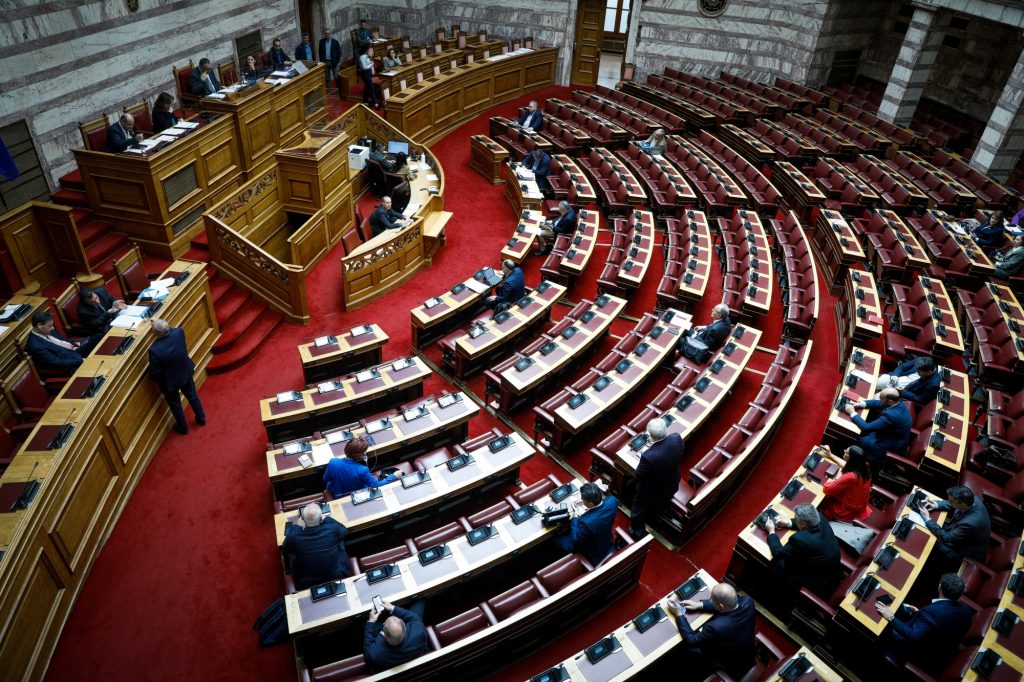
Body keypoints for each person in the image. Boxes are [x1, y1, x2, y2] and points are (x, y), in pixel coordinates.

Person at [876, 573, 972, 671]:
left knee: (882, 627)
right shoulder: (966, 609)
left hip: (923, 653)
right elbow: (942, 622)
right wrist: (920, 614)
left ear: (940, 587)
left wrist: (890, 617)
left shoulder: (932, 612)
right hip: (944, 647)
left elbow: (914, 636)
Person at [666, 583, 756, 680]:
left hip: (729, 663)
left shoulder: (715, 626)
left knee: (687, 649)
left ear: (721, 606)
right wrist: (700, 605)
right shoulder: (748, 601)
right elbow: (729, 605)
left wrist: (679, 614)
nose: (710, 600)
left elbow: (692, 640)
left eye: (712, 599)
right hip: (747, 653)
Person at [763, 503, 841, 601]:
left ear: (803, 524)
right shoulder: (820, 517)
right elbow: (808, 524)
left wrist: (771, 532)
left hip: (818, 579)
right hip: (833, 570)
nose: (795, 520)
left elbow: (778, 552)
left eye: (796, 519)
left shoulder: (799, 539)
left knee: (776, 562)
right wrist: (788, 523)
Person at [148, 318, 205, 435]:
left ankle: (182, 427)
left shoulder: (154, 350)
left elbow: (155, 373)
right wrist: (159, 323)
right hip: (185, 373)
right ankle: (201, 419)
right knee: (192, 396)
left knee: (175, 404)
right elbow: (171, 329)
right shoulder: (179, 332)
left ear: (155, 334)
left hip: (170, 382)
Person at [629, 417, 685, 539]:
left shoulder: (648, 456)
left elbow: (638, 474)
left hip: (652, 492)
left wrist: (650, 449)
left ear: (650, 436)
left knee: (637, 507)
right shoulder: (676, 437)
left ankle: (637, 532)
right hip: (673, 483)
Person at [914, 485, 991, 567]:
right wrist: (935, 505)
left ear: (963, 505)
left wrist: (927, 519)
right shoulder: (972, 499)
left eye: (951, 501)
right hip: (960, 533)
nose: (949, 502)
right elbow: (951, 503)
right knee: (933, 529)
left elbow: (947, 538)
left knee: (930, 540)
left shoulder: (969, 523)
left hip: (964, 551)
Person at [283, 502, 350, 590]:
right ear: (321, 518)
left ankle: (287, 570)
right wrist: (326, 519)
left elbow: (286, 547)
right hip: (336, 575)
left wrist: (297, 526)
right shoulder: (332, 529)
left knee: (292, 552)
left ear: (302, 519)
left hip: (308, 582)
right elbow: (344, 530)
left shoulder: (294, 537)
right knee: (339, 539)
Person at [843, 387, 912, 467]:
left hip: (884, 447)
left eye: (881, 398)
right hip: (889, 436)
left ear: (890, 401)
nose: (879, 399)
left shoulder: (891, 416)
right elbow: (878, 403)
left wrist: (852, 412)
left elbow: (866, 427)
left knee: (855, 436)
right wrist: (860, 404)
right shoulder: (898, 402)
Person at [554, 482, 618, 566]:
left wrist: (574, 518)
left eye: (583, 499)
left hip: (592, 550)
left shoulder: (586, 522)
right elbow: (605, 502)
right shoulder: (613, 501)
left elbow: (575, 540)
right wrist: (585, 501)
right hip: (606, 540)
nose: (582, 499)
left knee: (557, 538)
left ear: (591, 503)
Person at [323, 436, 403, 497]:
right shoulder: (362, 470)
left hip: (337, 494)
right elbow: (377, 485)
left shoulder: (333, 462)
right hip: (357, 496)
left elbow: (326, 479)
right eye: (364, 452)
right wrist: (394, 476)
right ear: (360, 455)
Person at [364, 600, 427, 670]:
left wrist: (371, 621)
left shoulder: (375, 654)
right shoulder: (419, 632)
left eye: (384, 623)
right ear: (405, 626)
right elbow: (414, 617)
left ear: (385, 637)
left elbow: (367, 650)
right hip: (414, 653)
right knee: (420, 601)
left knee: (366, 625)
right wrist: (393, 608)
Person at [817, 446, 872, 523]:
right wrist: (830, 455)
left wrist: (833, 480)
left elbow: (827, 489)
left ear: (851, 459)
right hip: (858, 505)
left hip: (845, 510)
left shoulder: (851, 477)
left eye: (846, 452)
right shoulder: (864, 466)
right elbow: (846, 465)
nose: (844, 450)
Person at [25, 311, 91, 375]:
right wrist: (80, 360)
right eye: (50, 326)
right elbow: (57, 362)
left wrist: (77, 344)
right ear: (39, 326)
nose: (53, 328)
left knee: (95, 340)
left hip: (75, 350)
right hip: (71, 364)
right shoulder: (35, 345)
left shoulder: (46, 330)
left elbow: (63, 340)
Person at [874, 356, 941, 405]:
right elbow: (902, 367)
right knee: (872, 384)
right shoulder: (920, 361)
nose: (917, 372)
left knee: (876, 398)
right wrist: (895, 375)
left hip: (900, 392)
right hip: (893, 379)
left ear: (929, 372)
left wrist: (903, 392)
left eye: (919, 371)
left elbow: (920, 399)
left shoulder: (933, 384)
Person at [319, 29, 342, 95]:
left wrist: (336, 62)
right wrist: (322, 61)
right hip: (325, 62)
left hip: (333, 62)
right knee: (327, 78)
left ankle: (338, 90)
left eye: (328, 33)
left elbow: (339, 53)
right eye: (326, 33)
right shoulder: (321, 42)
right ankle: (328, 91)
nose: (327, 35)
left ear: (331, 34)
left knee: (336, 77)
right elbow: (320, 52)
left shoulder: (335, 42)